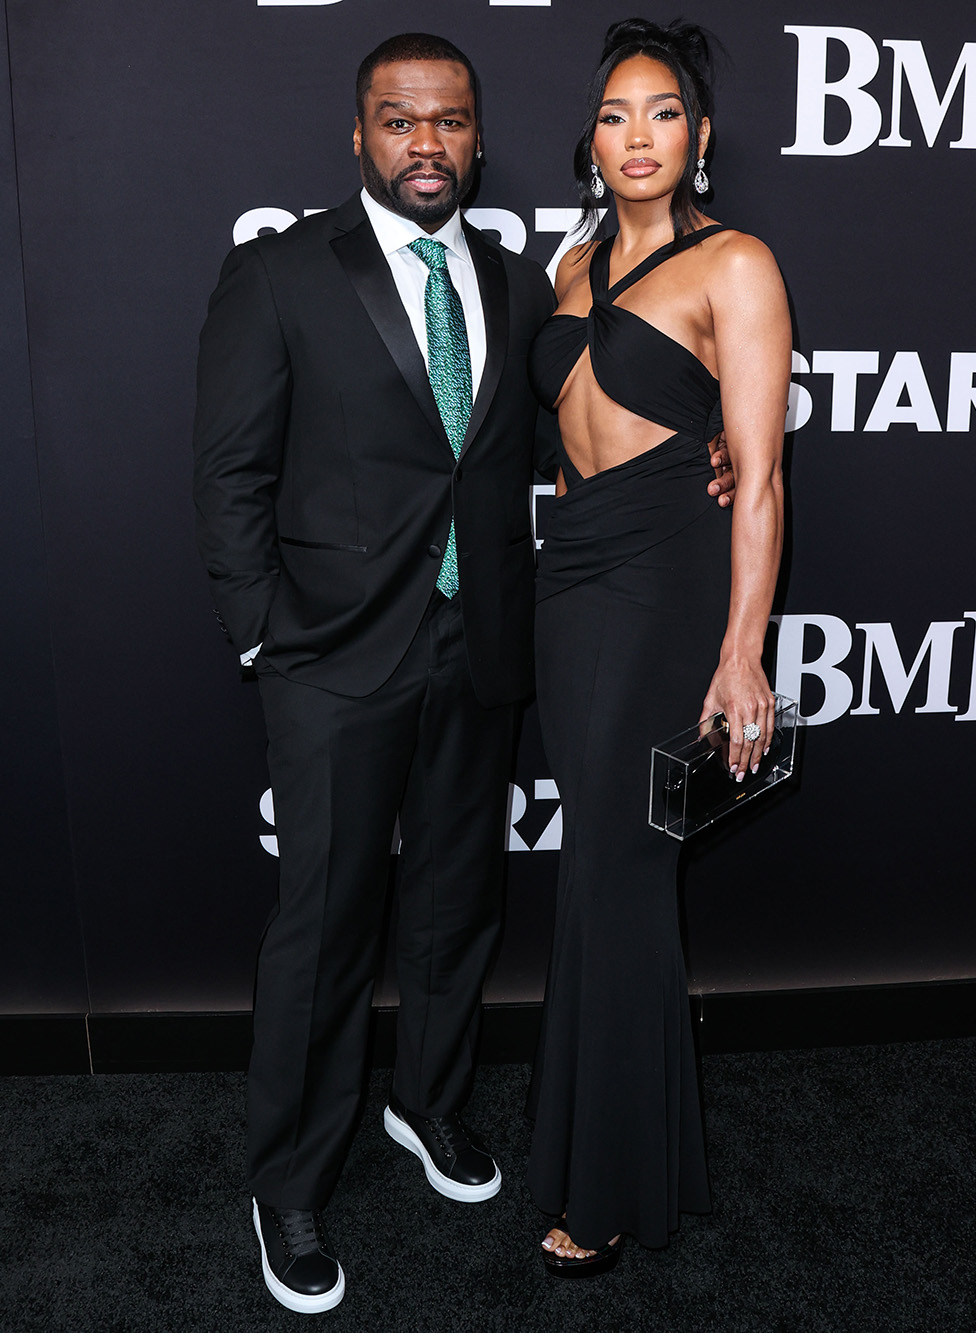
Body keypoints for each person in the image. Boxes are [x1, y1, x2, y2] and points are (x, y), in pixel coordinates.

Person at [193, 29, 734, 1314]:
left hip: (480, 642)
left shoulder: (516, 280)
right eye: (399, 120)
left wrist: (711, 449)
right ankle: (292, 1184)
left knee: (452, 905)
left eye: (448, 123)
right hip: (330, 658)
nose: (424, 143)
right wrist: (267, 632)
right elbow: (228, 476)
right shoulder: (276, 273)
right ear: (362, 135)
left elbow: (598, 418)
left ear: (478, 139)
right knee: (324, 929)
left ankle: (426, 1106)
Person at [525, 18, 790, 1276]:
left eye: (664, 112)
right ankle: (600, 1142)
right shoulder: (569, 266)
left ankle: (616, 1181)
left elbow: (761, 479)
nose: (639, 136)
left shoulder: (735, 265)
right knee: (596, 867)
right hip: (571, 577)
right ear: (592, 138)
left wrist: (741, 650)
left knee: (623, 874)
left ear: (699, 136)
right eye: (618, 115)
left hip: (666, 581)